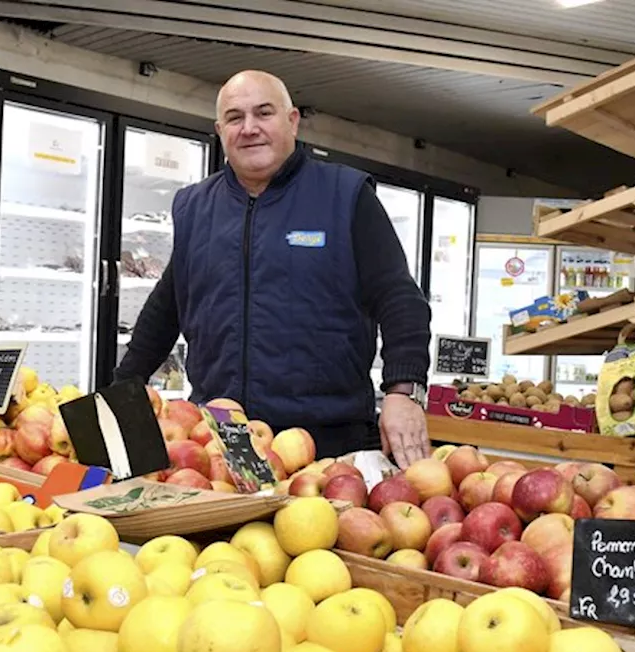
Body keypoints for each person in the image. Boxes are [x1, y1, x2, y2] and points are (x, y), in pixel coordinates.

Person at [115, 70, 432, 467]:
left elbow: (400, 299)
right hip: (221, 441)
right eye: (235, 118)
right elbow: (167, 308)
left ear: (292, 120)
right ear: (220, 130)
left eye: (263, 113)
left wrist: (404, 392)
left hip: (330, 442)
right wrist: (121, 391)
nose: (249, 128)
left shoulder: (345, 195)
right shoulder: (195, 207)